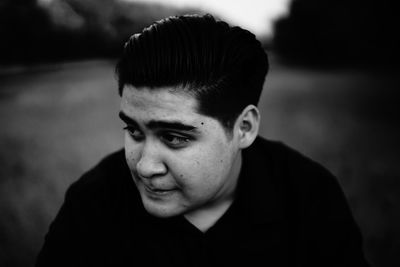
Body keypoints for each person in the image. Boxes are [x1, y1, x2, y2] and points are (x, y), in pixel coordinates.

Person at [36, 14, 370, 266]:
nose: (144, 166)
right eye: (135, 131)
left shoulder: (308, 199)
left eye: (174, 137)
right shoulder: (94, 203)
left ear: (243, 128)